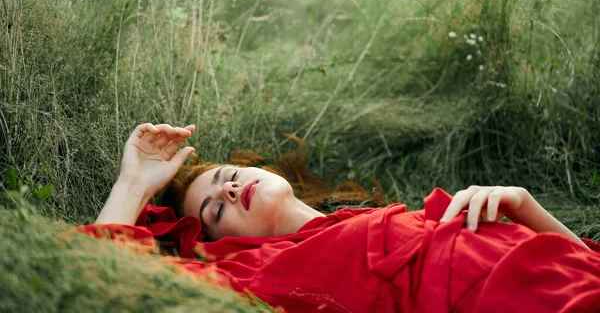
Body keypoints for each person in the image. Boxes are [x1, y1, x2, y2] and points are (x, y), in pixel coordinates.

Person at [85, 123, 600, 312]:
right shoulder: (259, 271)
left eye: (227, 175)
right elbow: (95, 277)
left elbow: (586, 261)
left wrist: (526, 207)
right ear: (220, 244)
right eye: (215, 209)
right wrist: (133, 185)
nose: (232, 189)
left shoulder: (371, 217)